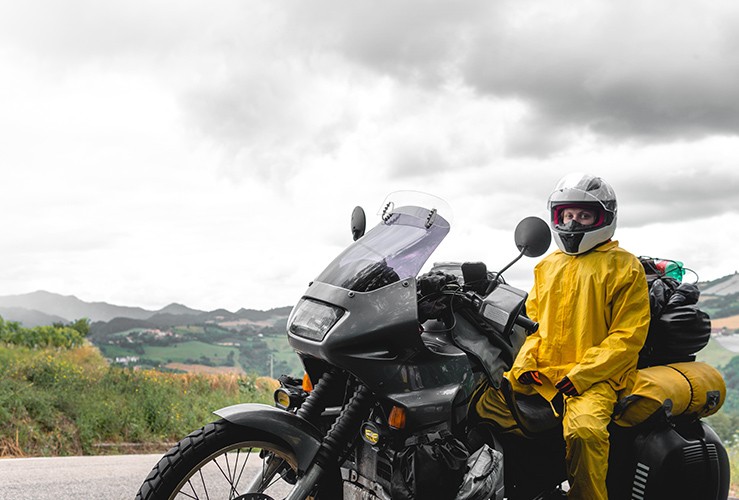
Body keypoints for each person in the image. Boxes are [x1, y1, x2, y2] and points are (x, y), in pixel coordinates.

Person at [475, 172, 651, 499]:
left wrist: (581, 376)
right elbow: (534, 327)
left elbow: (627, 338)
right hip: (545, 374)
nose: (573, 223)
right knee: (480, 405)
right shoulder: (548, 266)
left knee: (584, 431)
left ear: (605, 218)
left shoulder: (624, 267)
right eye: (567, 215)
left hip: (597, 379)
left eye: (584, 215)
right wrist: (522, 367)